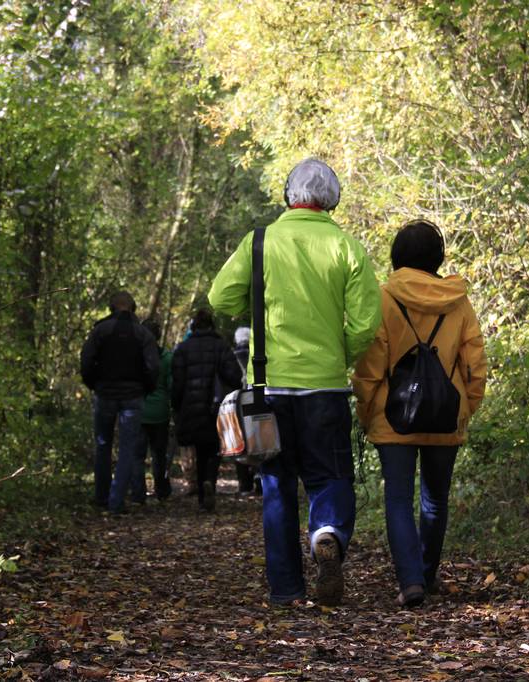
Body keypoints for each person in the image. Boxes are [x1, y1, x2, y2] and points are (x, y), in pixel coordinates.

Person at [208, 157, 381, 606]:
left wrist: (260, 312)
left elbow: (220, 298)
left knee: (276, 484)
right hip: (324, 387)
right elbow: (366, 324)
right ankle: (327, 533)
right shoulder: (348, 247)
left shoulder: (259, 242)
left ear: (288, 196)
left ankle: (286, 589)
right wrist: (337, 354)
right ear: (333, 201)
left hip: (269, 389)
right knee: (331, 474)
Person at [352, 220, 487, 607]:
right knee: (435, 499)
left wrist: (366, 410)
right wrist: (466, 406)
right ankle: (427, 575)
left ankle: (410, 581)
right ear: (438, 257)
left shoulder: (383, 298)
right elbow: (474, 363)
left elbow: (371, 367)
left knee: (397, 498)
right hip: (446, 416)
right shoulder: (458, 301)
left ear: (397, 257)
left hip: (391, 418)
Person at [80, 291, 160, 513]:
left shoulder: (100, 331)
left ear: (111, 307)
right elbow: (153, 367)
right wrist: (145, 388)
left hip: (105, 393)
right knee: (127, 449)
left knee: (103, 445)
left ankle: (101, 497)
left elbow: (86, 361)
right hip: (132, 396)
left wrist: (94, 384)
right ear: (132, 308)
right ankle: (115, 502)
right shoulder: (143, 334)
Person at [171, 309, 243, 512]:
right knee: (212, 448)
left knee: (199, 449)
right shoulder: (221, 347)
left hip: (191, 406)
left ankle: (203, 492)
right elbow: (234, 376)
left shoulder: (183, 349)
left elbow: (177, 382)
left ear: (193, 326)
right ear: (212, 325)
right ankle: (209, 481)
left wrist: (176, 406)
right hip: (216, 407)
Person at [132, 318, 173, 501]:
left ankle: (138, 493)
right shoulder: (167, 357)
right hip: (160, 412)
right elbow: (171, 385)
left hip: (138, 411)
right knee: (159, 454)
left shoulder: (134, 357)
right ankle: (161, 491)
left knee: (137, 455)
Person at [231, 326, 259, 495]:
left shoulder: (232, 355)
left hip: (238, 400)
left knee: (240, 440)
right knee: (258, 437)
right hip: (256, 398)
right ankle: (259, 474)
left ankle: (244, 483)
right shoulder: (258, 352)